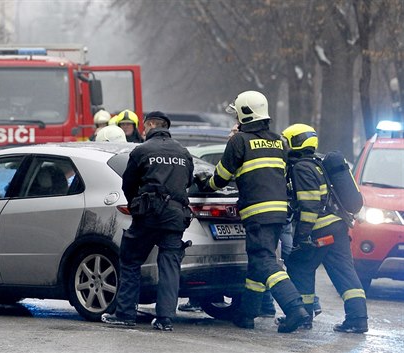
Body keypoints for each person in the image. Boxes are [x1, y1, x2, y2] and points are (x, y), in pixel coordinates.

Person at [197, 91, 309, 333]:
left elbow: (221, 177)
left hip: (257, 214)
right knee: (257, 264)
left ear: (245, 113)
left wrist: (205, 184)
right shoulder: (279, 141)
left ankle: (294, 308)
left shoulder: (239, 141)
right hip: (279, 213)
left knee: (265, 261)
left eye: (237, 112)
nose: (235, 117)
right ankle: (247, 314)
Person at [101, 111, 194, 331]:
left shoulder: (142, 150)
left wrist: (137, 204)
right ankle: (165, 319)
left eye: (144, 126)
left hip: (148, 216)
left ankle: (125, 314)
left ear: (151, 125)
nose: (142, 131)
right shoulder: (183, 152)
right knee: (170, 265)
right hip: (175, 217)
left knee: (131, 260)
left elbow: (128, 183)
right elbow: (187, 181)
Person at [280, 123, 368, 333]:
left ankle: (303, 316)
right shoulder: (317, 163)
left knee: (299, 265)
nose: (284, 146)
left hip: (320, 229)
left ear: (295, 142)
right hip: (337, 227)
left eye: (286, 141)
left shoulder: (302, 167)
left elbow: (310, 204)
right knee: (345, 272)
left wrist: (302, 236)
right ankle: (358, 319)